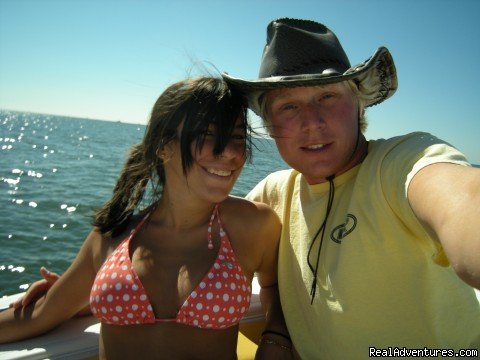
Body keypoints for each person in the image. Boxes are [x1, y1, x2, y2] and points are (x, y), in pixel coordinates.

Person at [222, 18, 480, 358]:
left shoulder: (400, 164)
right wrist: (277, 331)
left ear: (358, 106)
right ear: (270, 125)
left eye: (327, 96)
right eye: (289, 106)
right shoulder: (274, 194)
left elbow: (462, 199)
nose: (312, 122)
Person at [0, 76, 283, 359]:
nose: (232, 152)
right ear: (163, 145)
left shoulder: (253, 225)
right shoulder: (111, 237)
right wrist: (76, 298)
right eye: (208, 134)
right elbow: (39, 316)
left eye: (236, 137)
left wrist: (275, 336)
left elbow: (275, 287)